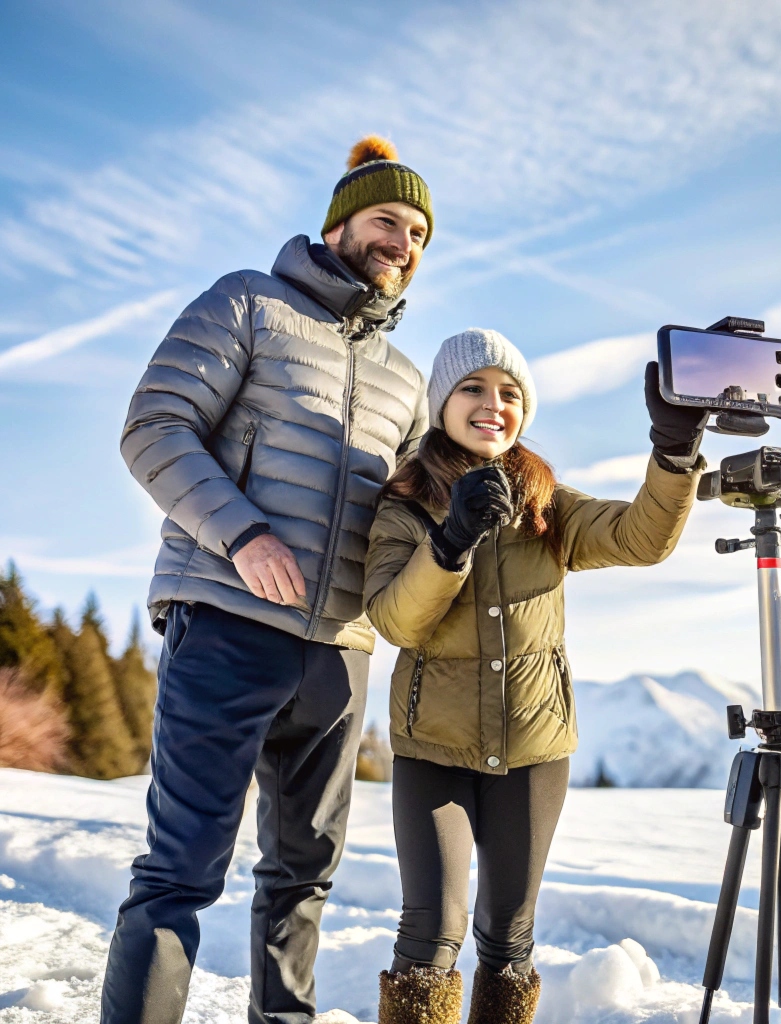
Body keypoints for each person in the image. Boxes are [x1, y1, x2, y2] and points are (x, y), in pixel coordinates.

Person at [103, 136, 433, 1024]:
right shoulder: (249, 302)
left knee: (303, 880)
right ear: (338, 225)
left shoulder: (407, 380)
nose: (400, 241)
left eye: (417, 231)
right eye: (384, 221)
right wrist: (242, 534)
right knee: (180, 871)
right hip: (226, 623)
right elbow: (154, 428)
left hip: (336, 653)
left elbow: (407, 518)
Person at [363, 328, 708, 1024]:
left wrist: (674, 453)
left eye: (510, 393)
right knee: (430, 934)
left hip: (534, 752)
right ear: (441, 403)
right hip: (434, 748)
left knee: (509, 939)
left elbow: (643, 537)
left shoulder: (548, 505)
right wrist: (450, 539)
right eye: (473, 388)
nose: (494, 405)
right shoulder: (403, 506)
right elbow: (396, 621)